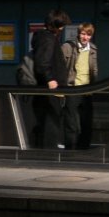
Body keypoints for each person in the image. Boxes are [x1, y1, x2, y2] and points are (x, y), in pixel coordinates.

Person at [31, 9, 71, 148]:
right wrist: (50, 79)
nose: (62, 28)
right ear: (53, 26)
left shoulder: (42, 37)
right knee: (51, 119)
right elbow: (43, 62)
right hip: (51, 87)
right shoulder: (48, 39)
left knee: (47, 118)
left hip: (48, 86)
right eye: (60, 26)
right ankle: (50, 149)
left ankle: (48, 146)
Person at [61, 22, 98, 149]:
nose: (85, 37)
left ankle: (84, 147)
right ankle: (70, 146)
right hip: (73, 88)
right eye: (83, 34)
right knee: (71, 121)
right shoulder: (68, 47)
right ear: (78, 33)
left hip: (87, 89)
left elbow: (94, 69)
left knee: (87, 121)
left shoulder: (92, 49)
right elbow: (61, 68)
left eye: (88, 35)